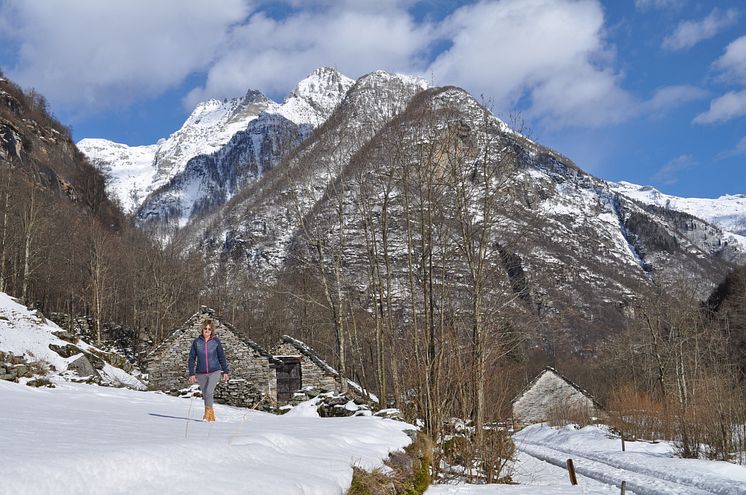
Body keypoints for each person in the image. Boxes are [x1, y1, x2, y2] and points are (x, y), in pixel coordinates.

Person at [188, 319, 229, 422]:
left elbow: (221, 357)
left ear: (212, 330)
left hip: (214, 371)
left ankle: (207, 415)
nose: (207, 331)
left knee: (209, 391)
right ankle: (211, 415)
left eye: (209, 329)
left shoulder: (216, 341)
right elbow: (192, 358)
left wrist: (225, 371)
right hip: (201, 373)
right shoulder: (196, 342)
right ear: (202, 329)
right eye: (205, 328)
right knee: (205, 394)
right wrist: (192, 373)